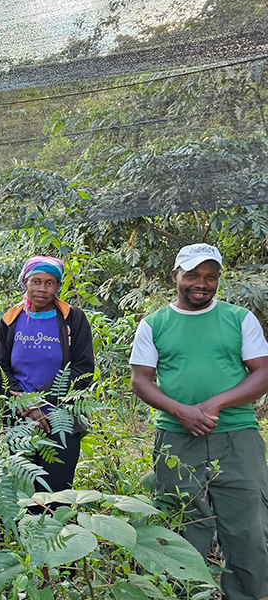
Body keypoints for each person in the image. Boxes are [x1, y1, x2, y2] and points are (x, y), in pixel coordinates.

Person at [130, 243, 268, 600]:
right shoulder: (155, 324)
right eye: (192, 275)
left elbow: (263, 373)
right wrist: (182, 411)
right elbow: (141, 380)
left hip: (237, 435)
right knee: (182, 528)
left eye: (210, 276)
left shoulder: (239, 319)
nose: (201, 283)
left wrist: (213, 404)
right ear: (175, 276)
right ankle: (184, 594)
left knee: (248, 530)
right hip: (177, 437)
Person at [0, 255, 94, 494]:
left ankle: (57, 532)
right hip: (20, 419)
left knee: (57, 492)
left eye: (49, 283)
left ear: (58, 286)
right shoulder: (11, 319)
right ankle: (23, 534)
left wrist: (39, 400)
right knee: (23, 492)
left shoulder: (73, 319)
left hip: (63, 420)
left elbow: (83, 370)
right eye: (36, 281)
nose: (42, 289)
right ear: (25, 282)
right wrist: (23, 403)